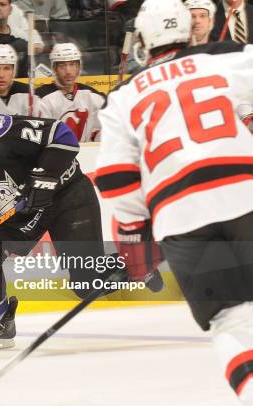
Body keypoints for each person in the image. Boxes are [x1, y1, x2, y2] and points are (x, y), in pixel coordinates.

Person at [95, 0, 253, 403]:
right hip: (245, 197)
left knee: (231, 322)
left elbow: (115, 178)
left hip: (183, 221)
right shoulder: (227, 58)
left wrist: (134, 233)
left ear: (144, 40)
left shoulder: (124, 96)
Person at [0, 106, 116, 350]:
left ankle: (136, 265)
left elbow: (63, 135)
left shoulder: (3, 133)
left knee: (87, 283)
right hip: (22, 213)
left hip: (67, 197)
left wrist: (44, 177)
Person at [36, 42, 105, 142]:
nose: (68, 71)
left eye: (72, 65)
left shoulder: (92, 96)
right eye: (62, 65)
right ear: (54, 68)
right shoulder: (41, 97)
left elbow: (102, 131)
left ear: (78, 67)